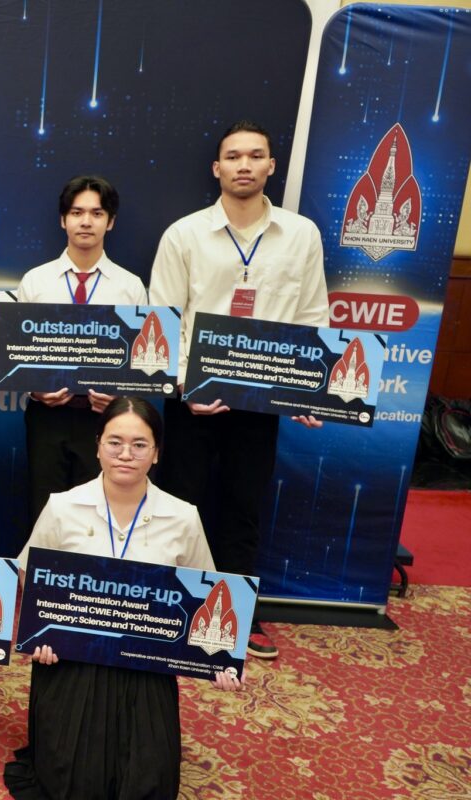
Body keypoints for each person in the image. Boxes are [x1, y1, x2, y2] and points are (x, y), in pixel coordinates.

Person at [149, 120, 328, 660]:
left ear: (271, 165)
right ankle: (173, 609)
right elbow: (164, 316)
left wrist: (308, 390)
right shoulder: (184, 234)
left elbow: (311, 315)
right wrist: (185, 387)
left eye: (255, 156)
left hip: (260, 401)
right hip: (192, 400)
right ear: (217, 168)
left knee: (243, 508)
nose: (244, 165)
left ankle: (236, 615)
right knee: (179, 506)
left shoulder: (302, 234)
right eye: (233, 156)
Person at [3, 397, 242, 799]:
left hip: (145, 663)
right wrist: (42, 632)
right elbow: (29, 575)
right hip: (72, 659)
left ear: (157, 453)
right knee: (77, 787)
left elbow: (210, 596)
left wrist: (219, 659)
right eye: (114, 442)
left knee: (148, 787)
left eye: (139, 444)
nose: (126, 454)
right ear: (97, 446)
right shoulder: (62, 507)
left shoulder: (184, 517)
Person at [15, 175, 148, 522]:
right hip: (47, 416)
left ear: (111, 222)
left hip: (106, 420)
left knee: (97, 516)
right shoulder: (35, 281)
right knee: (44, 511)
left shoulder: (130, 287)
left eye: (96, 213)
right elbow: (17, 353)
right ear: (63, 220)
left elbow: (142, 361)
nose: (86, 221)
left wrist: (120, 396)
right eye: (76, 213)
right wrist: (35, 389)